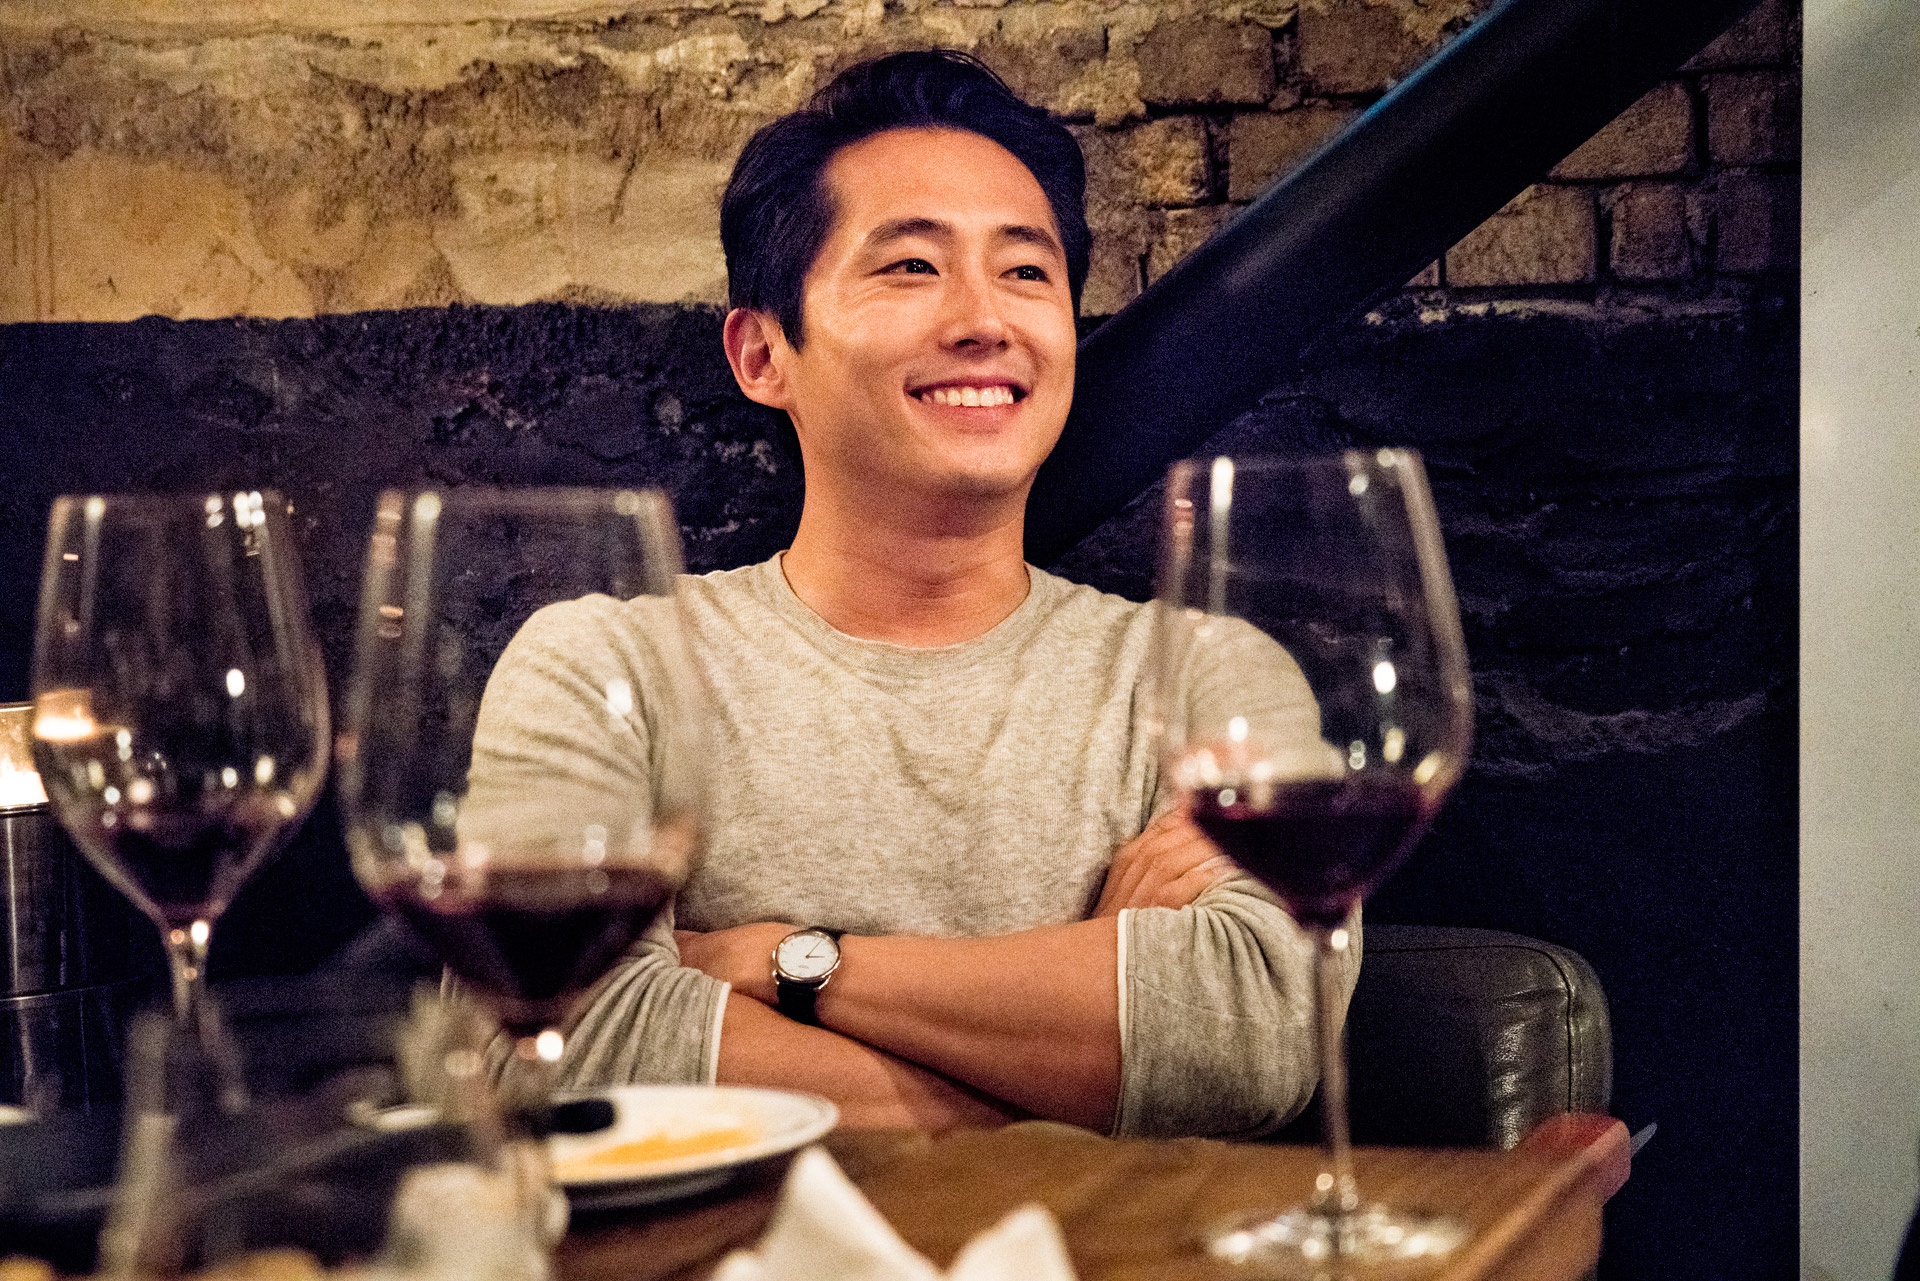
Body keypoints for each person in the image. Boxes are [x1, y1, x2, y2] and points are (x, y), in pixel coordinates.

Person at [466, 49, 1355, 1137]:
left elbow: (1263, 1030)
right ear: (761, 353)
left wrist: (791, 966)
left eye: (1026, 273)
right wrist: (1074, 1081)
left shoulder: (1208, 673)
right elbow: (557, 1044)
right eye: (912, 266)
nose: (986, 319)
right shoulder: (605, 666)